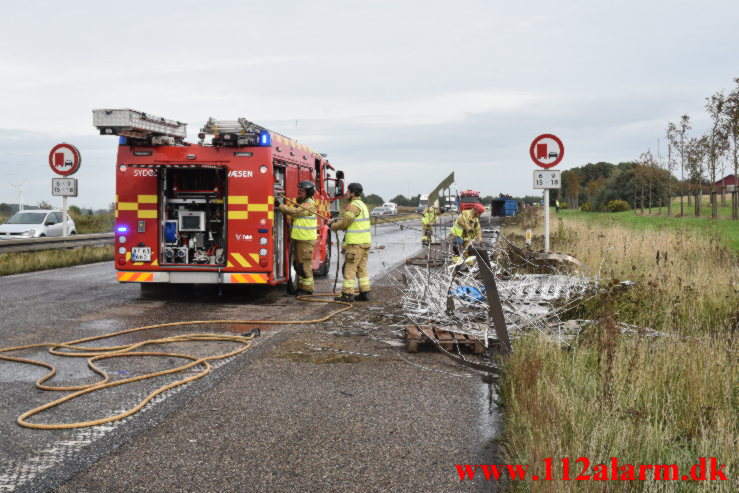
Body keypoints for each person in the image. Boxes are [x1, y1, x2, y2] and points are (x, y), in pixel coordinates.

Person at [330, 182, 371, 302]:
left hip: (355, 244)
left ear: (352, 193)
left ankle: (347, 295)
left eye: (347, 191)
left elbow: (345, 222)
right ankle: (364, 292)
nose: (345, 193)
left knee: (350, 268)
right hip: (365, 242)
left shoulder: (353, 206)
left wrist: (333, 226)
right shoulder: (362, 204)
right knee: (361, 268)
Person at [275, 180, 317, 295]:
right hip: (300, 239)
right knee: (298, 265)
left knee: (304, 266)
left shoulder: (309, 204)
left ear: (308, 192)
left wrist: (280, 206)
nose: (299, 192)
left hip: (306, 240)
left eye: (302, 191)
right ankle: (301, 287)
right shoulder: (304, 202)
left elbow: (296, 212)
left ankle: (308, 289)